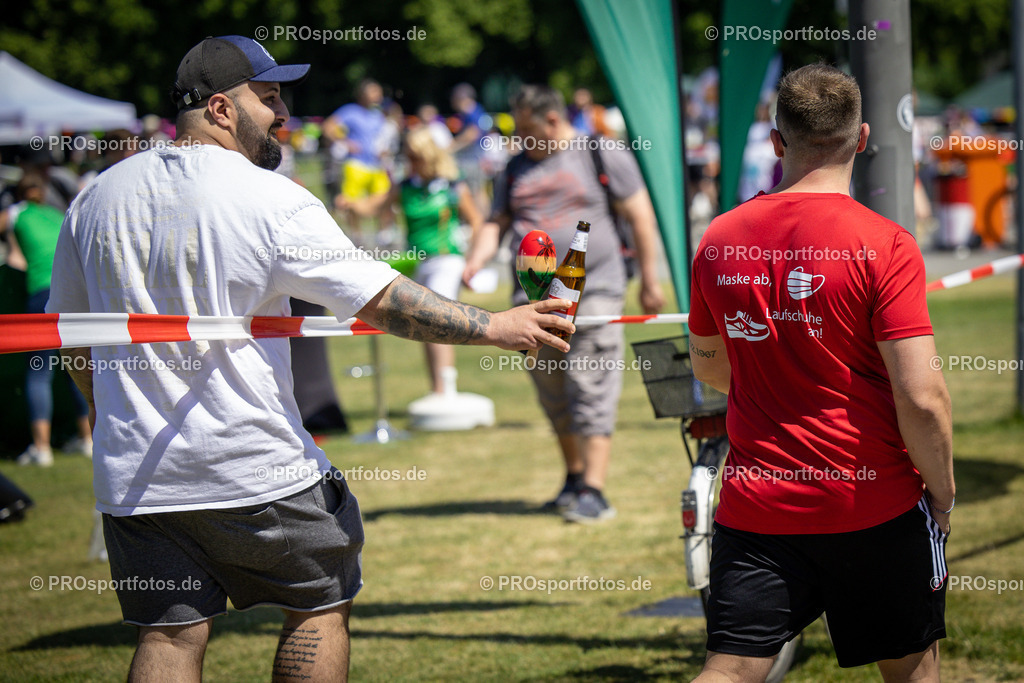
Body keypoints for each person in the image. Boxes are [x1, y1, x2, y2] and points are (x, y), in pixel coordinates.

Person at [46, 35, 574, 683]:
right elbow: (378, 299)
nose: (283, 114)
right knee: (318, 606)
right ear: (219, 109)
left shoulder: (96, 198)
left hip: (137, 478)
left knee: (170, 634)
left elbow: (72, 337)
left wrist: (105, 414)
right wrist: (497, 324)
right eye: (268, 98)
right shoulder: (270, 198)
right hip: (255, 469)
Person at [687, 64, 954, 682]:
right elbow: (922, 396)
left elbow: (709, 366)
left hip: (758, 505)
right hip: (875, 503)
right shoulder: (884, 243)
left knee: (728, 672)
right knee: (912, 672)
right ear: (862, 138)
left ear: (776, 141)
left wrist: (769, 379)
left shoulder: (720, 239)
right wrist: (941, 489)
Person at [463, 85, 666, 523]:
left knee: (589, 387)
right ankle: (574, 479)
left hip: (594, 294)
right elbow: (497, 221)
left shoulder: (599, 152)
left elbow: (639, 214)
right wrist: (476, 259)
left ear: (553, 121)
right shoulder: (516, 166)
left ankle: (595, 489)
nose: (519, 139)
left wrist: (650, 280)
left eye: (527, 130)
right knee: (554, 396)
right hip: (531, 303)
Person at [342, 125, 483, 396]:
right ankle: (438, 389)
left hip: (447, 259)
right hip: (417, 262)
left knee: (437, 320)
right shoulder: (405, 187)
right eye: (408, 156)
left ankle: (446, 390)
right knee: (426, 326)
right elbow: (373, 207)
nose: (411, 162)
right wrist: (349, 204)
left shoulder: (452, 186)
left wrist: (472, 260)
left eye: (415, 156)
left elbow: (476, 219)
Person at [0, 172, 93, 466]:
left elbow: (13, 254)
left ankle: (41, 449)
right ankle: (88, 439)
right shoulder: (57, 215)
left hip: (41, 293)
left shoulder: (15, 213)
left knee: (39, 371)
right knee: (75, 365)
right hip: (74, 294)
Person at [324, 79, 390, 233]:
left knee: (384, 199)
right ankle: (356, 237)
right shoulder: (350, 111)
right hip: (356, 165)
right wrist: (346, 142)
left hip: (377, 164)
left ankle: (383, 236)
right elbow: (328, 127)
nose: (378, 95)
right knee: (351, 203)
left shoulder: (378, 114)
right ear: (363, 94)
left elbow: (382, 138)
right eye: (374, 91)